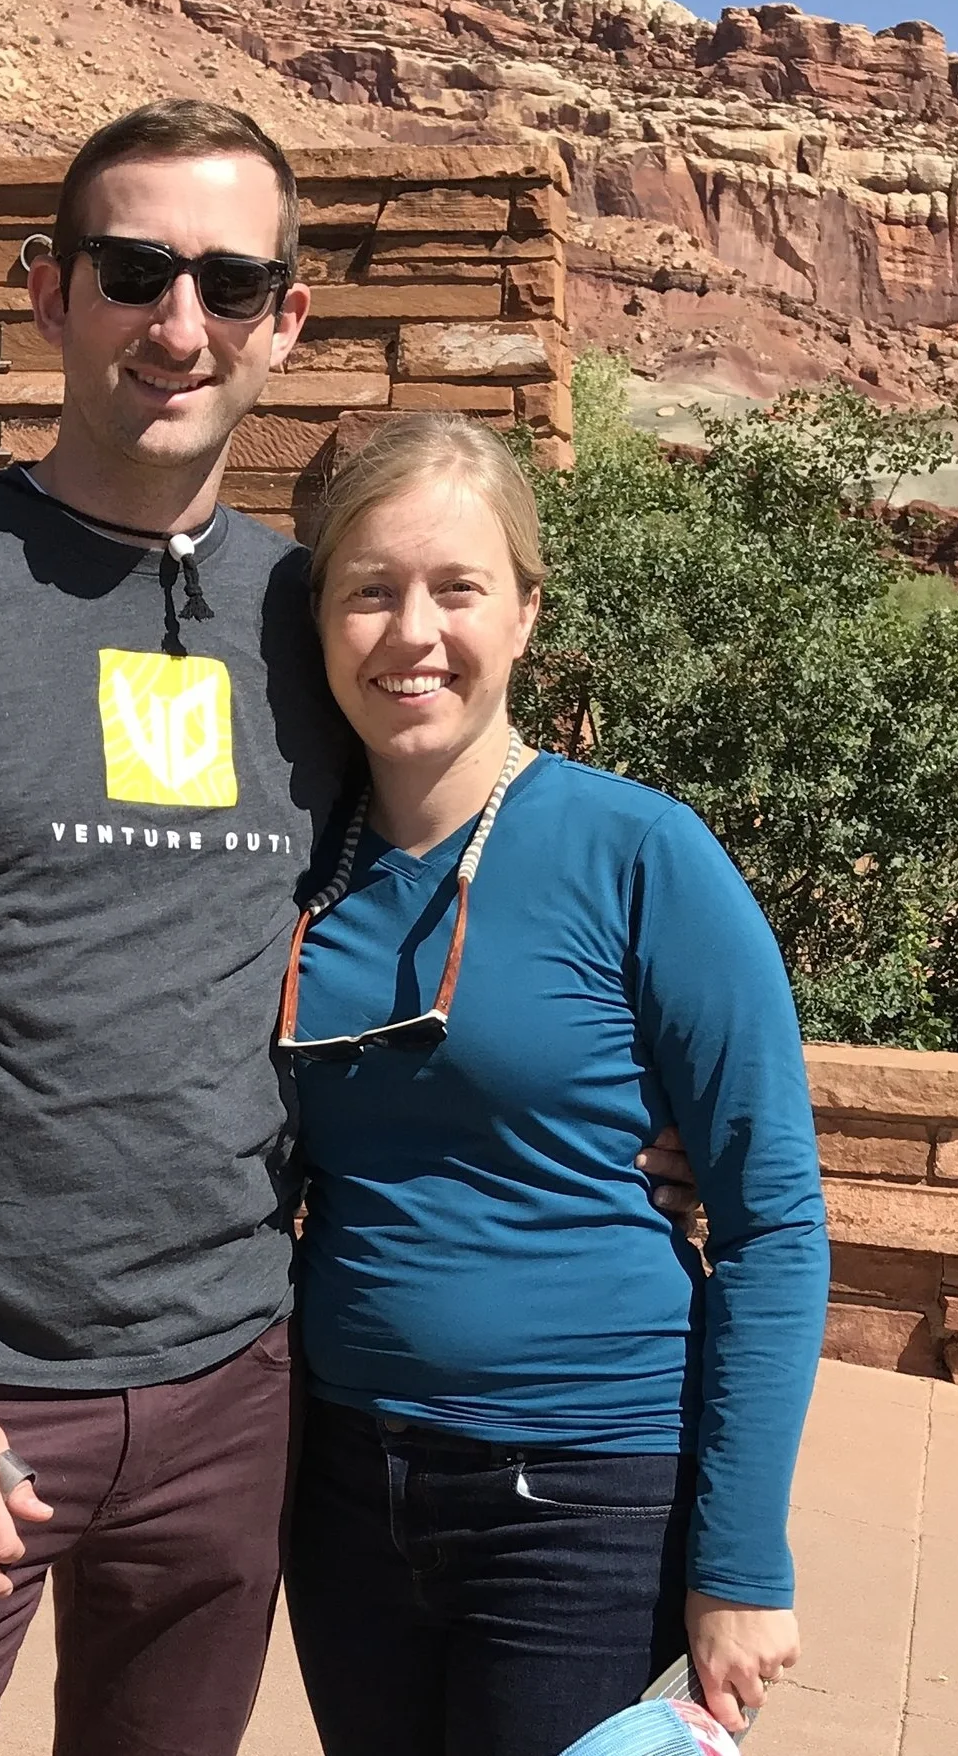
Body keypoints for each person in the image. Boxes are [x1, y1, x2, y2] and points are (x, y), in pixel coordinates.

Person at [0, 100, 697, 1756]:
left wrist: (622, 1116)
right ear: (51, 290)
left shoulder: (313, 617)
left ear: (284, 319)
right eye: (137, 270)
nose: (183, 324)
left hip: (241, 1398)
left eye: (231, 282)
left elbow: (433, 894)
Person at [279, 413, 830, 1756]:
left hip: (584, 1493)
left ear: (524, 612)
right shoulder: (293, 861)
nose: (414, 632)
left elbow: (772, 1220)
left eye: (458, 588)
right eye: (371, 589)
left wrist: (742, 1559)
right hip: (343, 1478)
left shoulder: (641, 856)